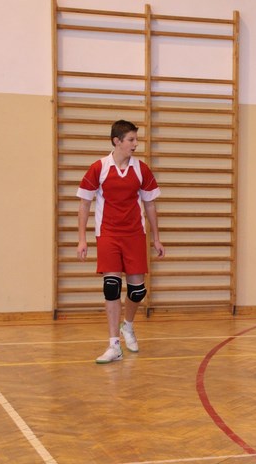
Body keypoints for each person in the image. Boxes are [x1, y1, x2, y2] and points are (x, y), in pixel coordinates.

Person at [77, 120, 165, 364]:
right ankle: (114, 344)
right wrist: (82, 238)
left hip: (135, 234)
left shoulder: (141, 169)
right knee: (112, 286)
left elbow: (150, 204)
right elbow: (84, 203)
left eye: (136, 139)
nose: (135, 144)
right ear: (117, 141)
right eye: (131, 140)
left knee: (138, 291)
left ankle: (128, 325)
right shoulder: (100, 168)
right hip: (108, 234)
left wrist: (156, 238)